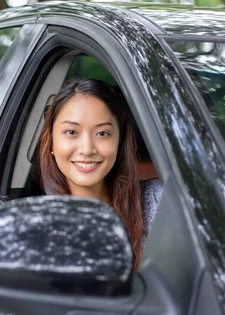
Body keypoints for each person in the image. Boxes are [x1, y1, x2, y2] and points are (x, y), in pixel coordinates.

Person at [37, 78, 162, 268]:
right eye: (71, 132)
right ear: (52, 142)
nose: (87, 149)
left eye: (102, 133)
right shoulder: (37, 227)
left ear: (119, 142)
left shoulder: (158, 202)